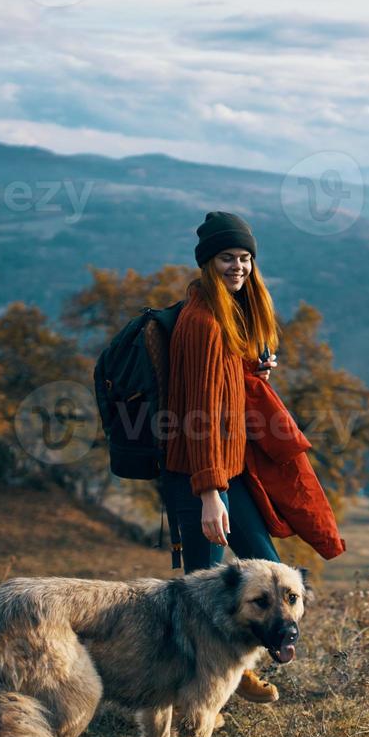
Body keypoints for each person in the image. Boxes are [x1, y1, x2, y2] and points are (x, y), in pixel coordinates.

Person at [158, 210, 284, 703]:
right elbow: (201, 413)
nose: (239, 267)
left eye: (246, 258)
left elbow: (222, 388)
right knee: (203, 596)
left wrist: (255, 370)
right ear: (208, 263)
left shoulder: (229, 316)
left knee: (270, 570)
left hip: (227, 471)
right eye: (228, 257)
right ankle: (202, 690)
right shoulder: (204, 322)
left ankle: (233, 670)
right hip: (197, 475)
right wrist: (210, 493)